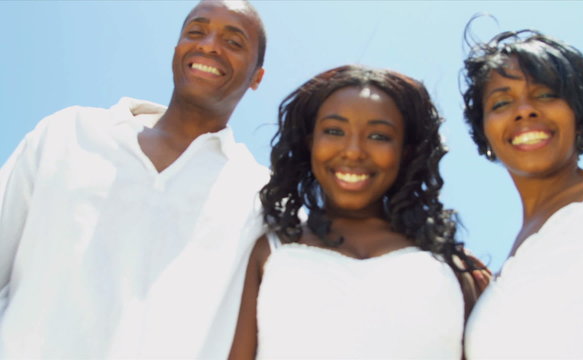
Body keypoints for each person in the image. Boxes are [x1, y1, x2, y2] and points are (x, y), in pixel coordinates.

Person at [0, 0, 268, 358]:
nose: (208, 45)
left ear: (257, 78)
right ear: (177, 50)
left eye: (233, 42)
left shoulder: (258, 195)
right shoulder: (67, 132)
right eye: (196, 32)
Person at [228, 65, 490, 359]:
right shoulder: (270, 250)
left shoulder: (454, 266)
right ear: (309, 142)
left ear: (406, 151)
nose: (353, 151)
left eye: (378, 136)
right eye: (334, 131)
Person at [461, 29, 583, 358]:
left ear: (579, 114)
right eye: (501, 102)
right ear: (484, 133)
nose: (524, 110)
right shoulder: (492, 290)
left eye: (545, 95)